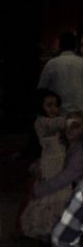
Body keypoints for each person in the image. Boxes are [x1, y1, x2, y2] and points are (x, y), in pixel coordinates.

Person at [18, 92, 74, 239]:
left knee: (63, 193)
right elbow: (60, 123)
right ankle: (45, 231)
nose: (53, 108)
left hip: (62, 163)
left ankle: (59, 229)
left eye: (56, 105)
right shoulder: (42, 122)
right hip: (50, 164)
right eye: (49, 105)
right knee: (50, 195)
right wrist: (74, 118)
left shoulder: (57, 123)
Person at [37, 30, 83, 111]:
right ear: (76, 47)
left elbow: (41, 89)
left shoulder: (51, 64)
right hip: (80, 111)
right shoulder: (81, 62)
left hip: (57, 112)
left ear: (59, 46)